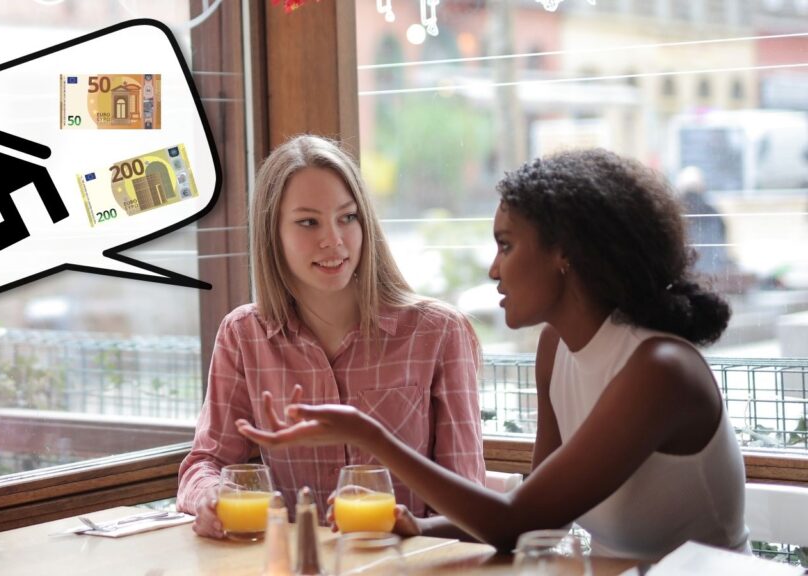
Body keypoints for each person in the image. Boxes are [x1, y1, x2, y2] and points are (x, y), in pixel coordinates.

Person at [238, 148, 750, 561]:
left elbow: (515, 523)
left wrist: (366, 433)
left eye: (506, 245)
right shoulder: (558, 349)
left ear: (565, 253)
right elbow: (538, 515)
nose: (493, 269)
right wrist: (420, 527)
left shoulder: (659, 373)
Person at [177, 135, 486, 539]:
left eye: (347, 217)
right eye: (309, 222)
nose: (334, 240)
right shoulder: (244, 335)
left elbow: (471, 503)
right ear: (273, 233)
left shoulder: (438, 332)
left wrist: (411, 528)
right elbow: (206, 461)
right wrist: (212, 497)